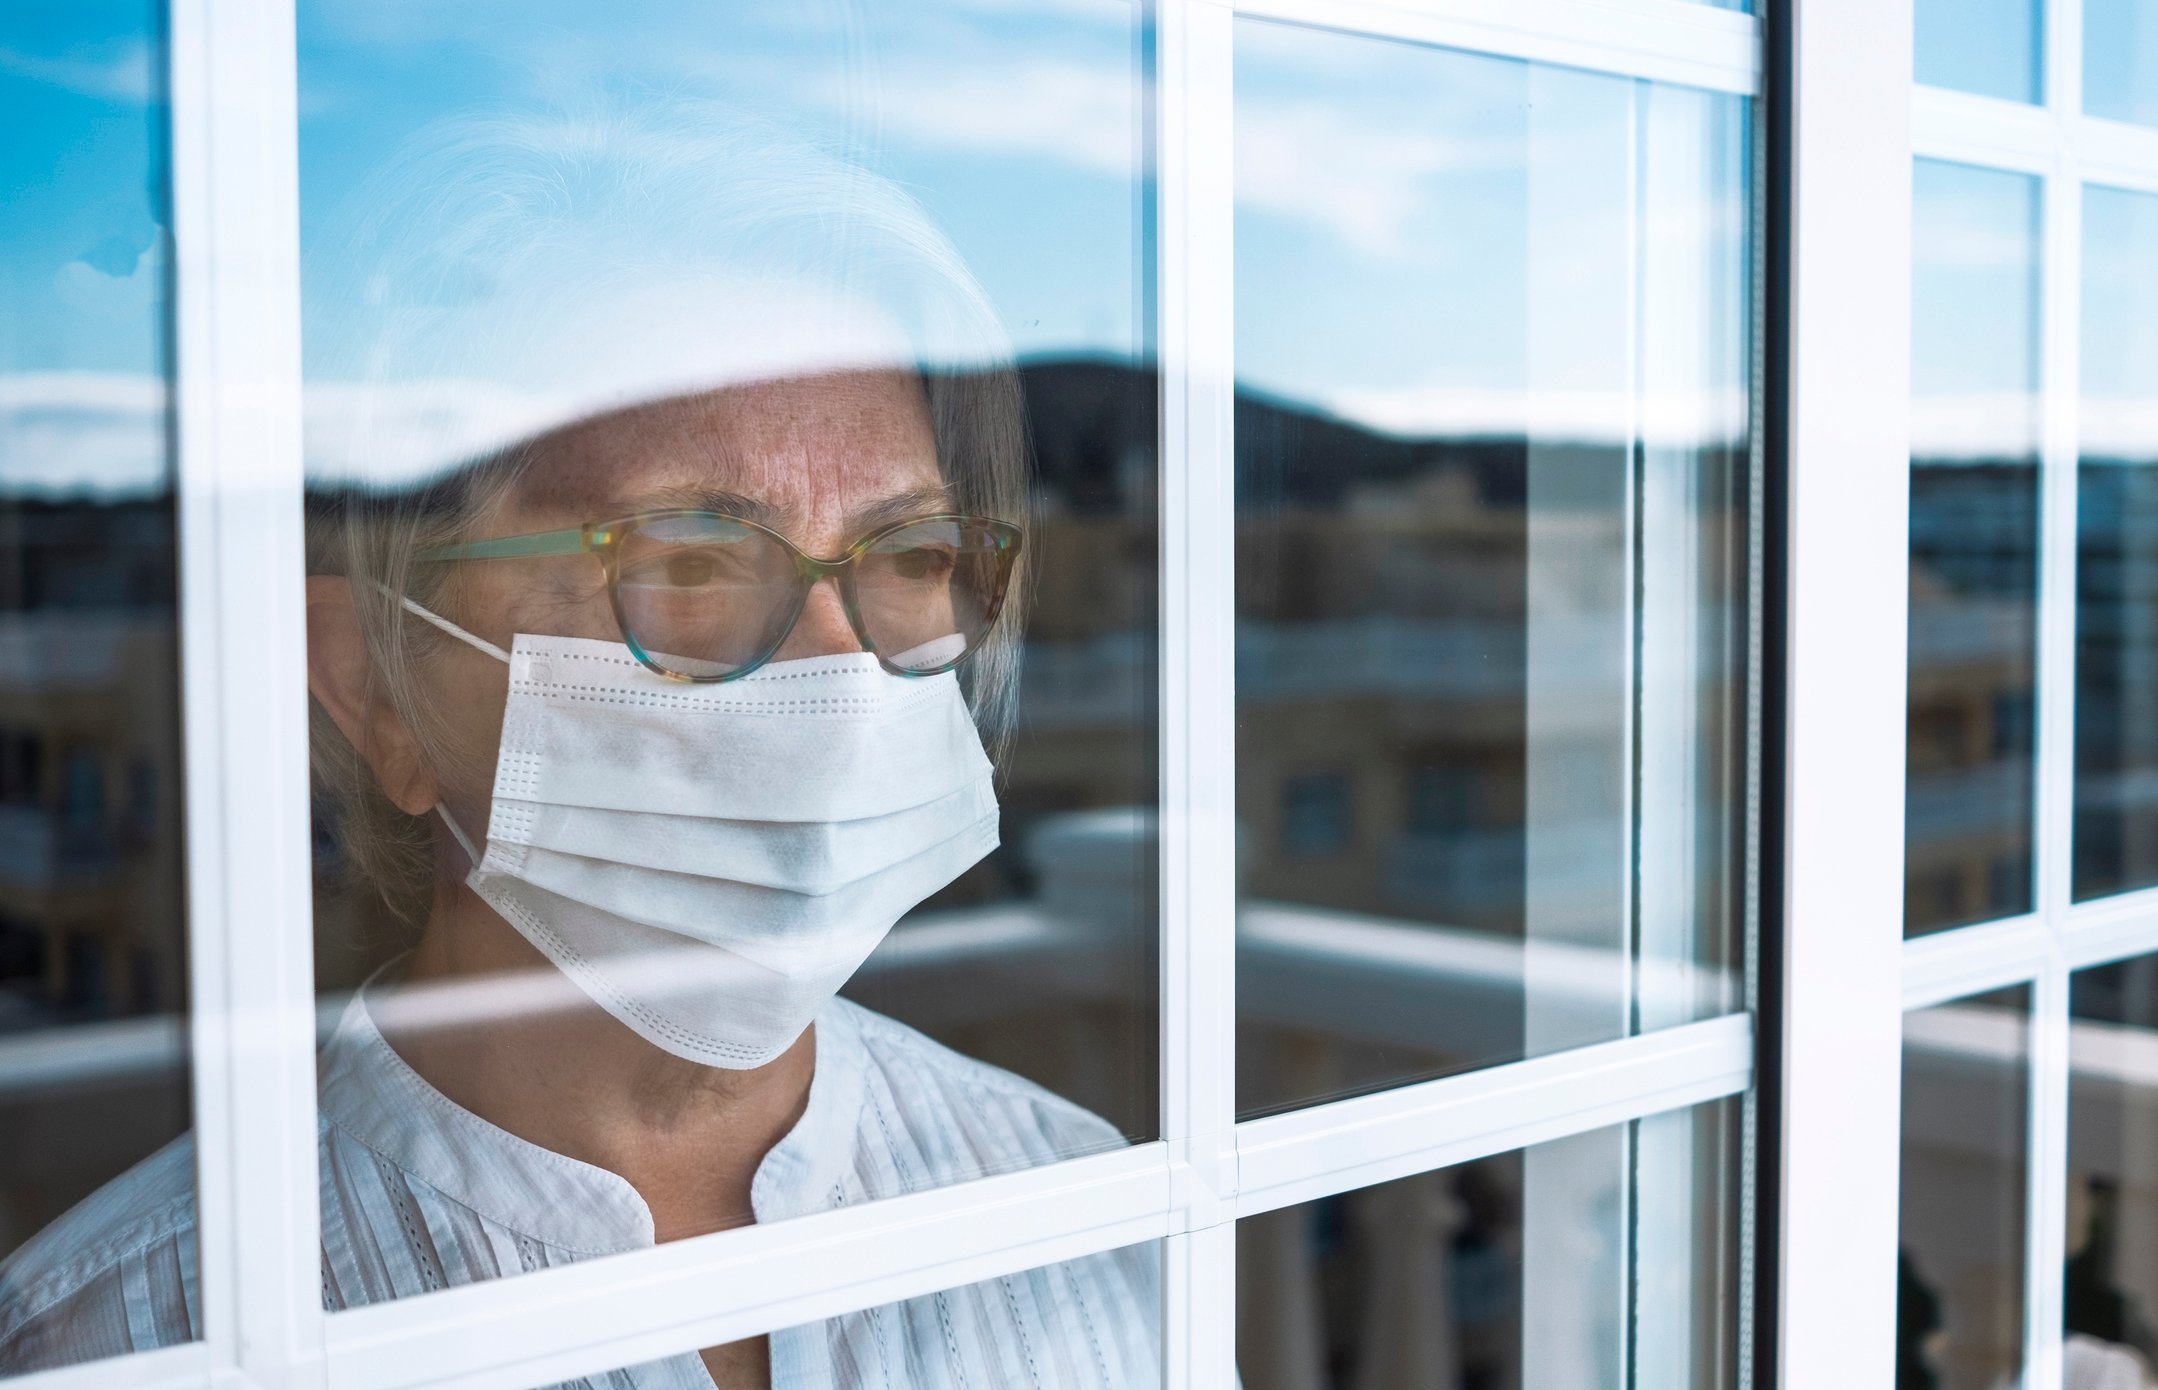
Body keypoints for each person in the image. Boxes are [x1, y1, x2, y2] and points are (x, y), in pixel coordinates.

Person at [0, 102, 1159, 1388]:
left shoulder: (1087, 1213)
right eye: (693, 561)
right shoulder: (126, 1340)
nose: (844, 662)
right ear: (372, 686)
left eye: (913, 555)